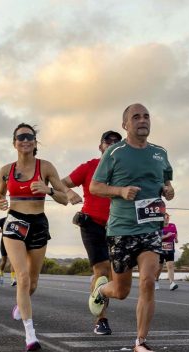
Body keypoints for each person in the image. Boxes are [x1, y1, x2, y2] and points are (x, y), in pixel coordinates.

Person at [88, 103, 175, 352]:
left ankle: (141, 343)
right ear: (126, 124)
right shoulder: (115, 153)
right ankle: (101, 290)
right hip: (121, 230)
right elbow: (95, 186)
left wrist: (168, 190)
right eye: (135, 117)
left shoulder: (160, 153)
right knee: (122, 291)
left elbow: (166, 181)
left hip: (151, 228)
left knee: (148, 282)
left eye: (146, 116)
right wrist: (120, 191)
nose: (142, 120)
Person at [0, 122, 82, 351]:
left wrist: (48, 190)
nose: (25, 140)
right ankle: (30, 334)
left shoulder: (45, 167)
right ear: (14, 142)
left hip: (38, 223)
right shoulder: (6, 170)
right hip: (14, 221)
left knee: (32, 283)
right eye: (21, 137)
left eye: (30, 137)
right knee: (22, 277)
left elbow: (64, 199)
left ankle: (20, 305)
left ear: (35, 142)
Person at [61, 129, 123, 335]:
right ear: (101, 146)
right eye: (108, 141)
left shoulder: (126, 170)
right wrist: (70, 193)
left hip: (119, 226)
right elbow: (61, 183)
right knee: (102, 270)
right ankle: (101, 320)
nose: (112, 144)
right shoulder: (89, 167)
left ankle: (97, 287)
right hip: (92, 224)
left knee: (117, 278)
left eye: (116, 142)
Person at [158, 213, 179, 290]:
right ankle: (156, 280)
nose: (167, 218)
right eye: (165, 217)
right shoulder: (158, 227)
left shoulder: (173, 225)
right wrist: (167, 236)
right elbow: (157, 238)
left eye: (168, 217)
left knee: (170, 266)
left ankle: (172, 283)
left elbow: (175, 233)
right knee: (159, 267)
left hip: (170, 248)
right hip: (160, 249)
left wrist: (176, 239)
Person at [0, 217, 15, 286]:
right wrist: (3, 230)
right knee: (4, 261)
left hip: (13, 243)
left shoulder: (17, 221)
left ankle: (13, 279)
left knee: (13, 261)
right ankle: (1, 274)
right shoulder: (2, 220)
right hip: (4, 242)